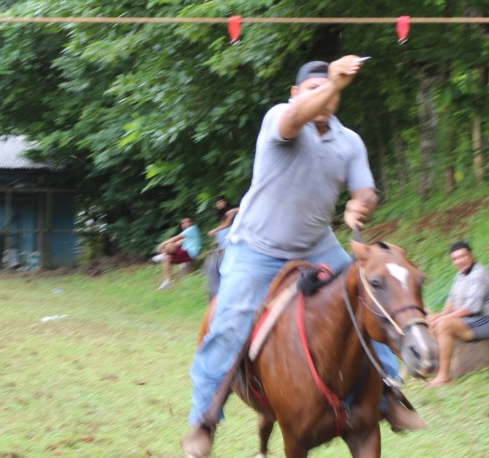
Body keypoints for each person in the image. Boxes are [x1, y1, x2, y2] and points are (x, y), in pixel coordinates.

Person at [182, 56, 426, 457]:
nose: (322, 97)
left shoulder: (349, 141)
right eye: (312, 89)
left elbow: (366, 189)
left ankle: (388, 394)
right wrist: (332, 84)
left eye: (327, 91)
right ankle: (204, 420)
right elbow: (297, 116)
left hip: (317, 244)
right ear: (297, 93)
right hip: (256, 248)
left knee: (371, 294)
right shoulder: (281, 118)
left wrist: (359, 205)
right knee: (227, 324)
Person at [424, 241, 489, 387]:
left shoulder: (479, 274)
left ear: (471, 255)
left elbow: (471, 308)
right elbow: (451, 302)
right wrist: (440, 315)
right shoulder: (459, 276)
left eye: (463, 256)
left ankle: (444, 376)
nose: (460, 261)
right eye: (455, 258)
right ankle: (436, 367)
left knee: (444, 325)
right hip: (468, 320)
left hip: (486, 320)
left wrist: (443, 319)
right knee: (431, 318)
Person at [204, 197, 238, 301]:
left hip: (231, 250)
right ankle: (213, 294)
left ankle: (215, 294)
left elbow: (227, 223)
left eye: (222, 202)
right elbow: (219, 243)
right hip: (222, 250)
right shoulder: (222, 228)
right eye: (218, 203)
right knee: (211, 263)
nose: (220, 204)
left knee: (215, 265)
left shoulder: (232, 215)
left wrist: (215, 230)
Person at [154, 216, 202, 290]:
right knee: (166, 258)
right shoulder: (188, 234)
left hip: (189, 253)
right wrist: (165, 249)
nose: (184, 224)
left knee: (169, 245)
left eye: (186, 222)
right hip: (185, 254)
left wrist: (162, 244)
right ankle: (168, 280)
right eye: (183, 223)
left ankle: (162, 255)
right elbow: (177, 243)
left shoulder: (192, 229)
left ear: (191, 222)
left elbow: (175, 238)